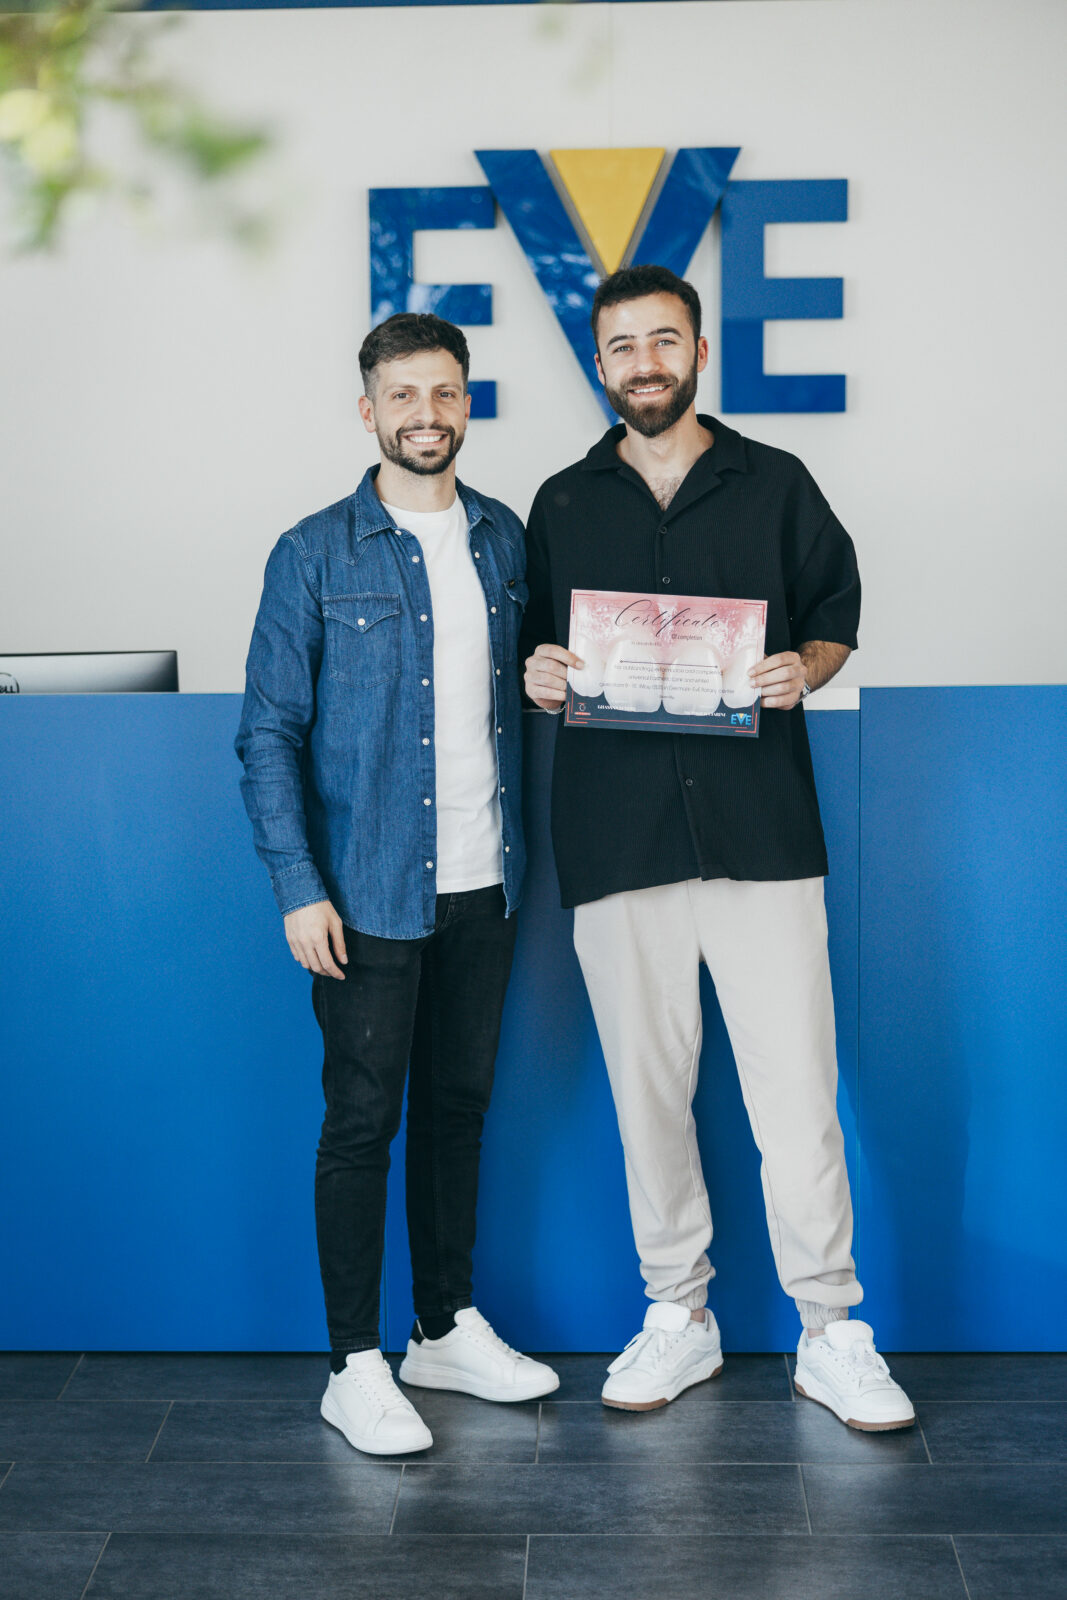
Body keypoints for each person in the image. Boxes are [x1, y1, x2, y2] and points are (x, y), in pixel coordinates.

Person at [521, 264, 914, 1432]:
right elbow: (534, 648)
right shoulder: (559, 503)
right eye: (621, 346)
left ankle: (830, 1329)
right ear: (599, 363)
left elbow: (833, 615)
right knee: (647, 1098)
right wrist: (538, 671)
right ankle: (676, 1313)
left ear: (697, 351)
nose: (642, 363)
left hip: (760, 835)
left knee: (796, 1095)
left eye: (662, 340)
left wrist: (804, 668)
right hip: (614, 840)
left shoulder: (775, 482)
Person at [236, 311, 558, 1457]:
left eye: (446, 392)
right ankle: (353, 1364)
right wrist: (297, 884)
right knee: (362, 1121)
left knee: (457, 1112)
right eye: (404, 395)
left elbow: (533, 686)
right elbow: (266, 734)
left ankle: (441, 1328)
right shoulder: (312, 553)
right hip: (362, 894)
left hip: (485, 883)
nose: (427, 414)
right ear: (367, 410)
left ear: (467, 402)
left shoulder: (505, 540)